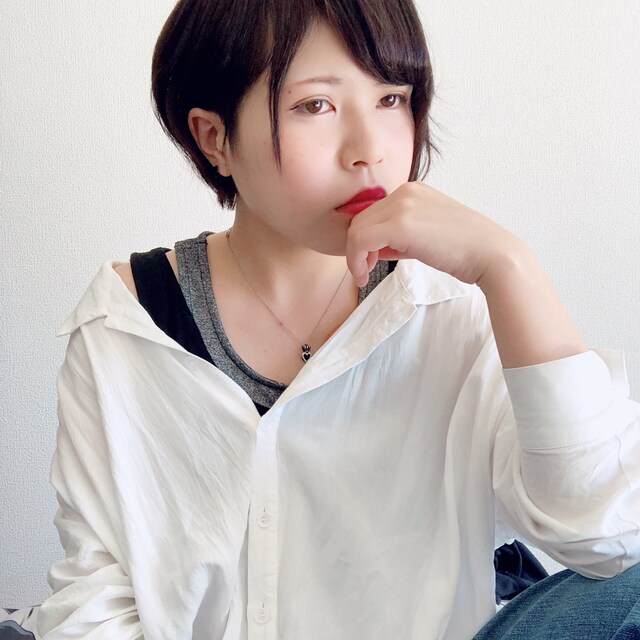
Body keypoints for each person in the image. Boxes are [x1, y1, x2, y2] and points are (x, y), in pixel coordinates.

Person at [33, 0, 640, 638]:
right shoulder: (127, 327)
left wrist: (510, 268)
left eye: (391, 99)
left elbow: (608, 536)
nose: (369, 150)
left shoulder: (451, 305)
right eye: (315, 105)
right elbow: (94, 604)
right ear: (215, 139)